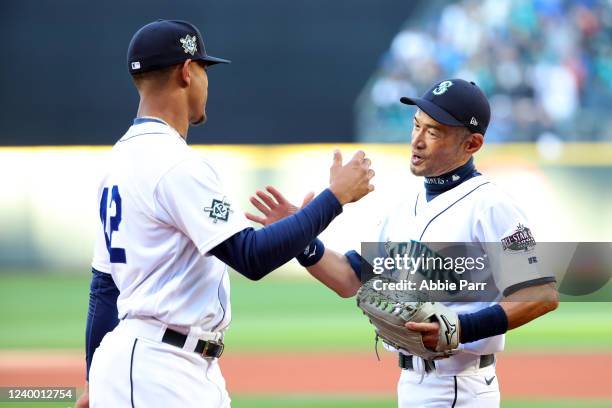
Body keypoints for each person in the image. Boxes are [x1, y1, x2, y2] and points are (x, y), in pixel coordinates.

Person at [75, 19, 375, 408]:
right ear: (186, 72)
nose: (205, 82)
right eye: (203, 69)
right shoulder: (173, 162)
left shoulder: (121, 158)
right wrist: (333, 198)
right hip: (158, 367)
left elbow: (104, 286)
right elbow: (249, 256)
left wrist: (93, 377)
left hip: (173, 364)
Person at [247, 79, 559, 407]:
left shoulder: (492, 205)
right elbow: (350, 279)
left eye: (433, 131)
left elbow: (541, 294)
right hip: (411, 382)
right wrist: (299, 239)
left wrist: (460, 328)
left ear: (472, 144)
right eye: (416, 125)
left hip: (459, 386)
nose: (417, 141)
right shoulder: (402, 206)